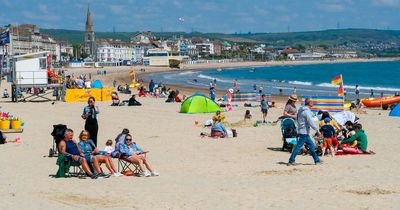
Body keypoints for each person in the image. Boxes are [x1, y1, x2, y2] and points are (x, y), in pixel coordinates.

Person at [288, 97, 321, 165]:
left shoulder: (301, 110)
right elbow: (310, 122)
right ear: (309, 103)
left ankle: (317, 160)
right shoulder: (306, 111)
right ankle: (291, 160)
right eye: (312, 102)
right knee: (299, 146)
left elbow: (299, 118)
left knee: (311, 146)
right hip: (304, 132)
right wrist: (317, 130)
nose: (313, 103)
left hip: (301, 130)